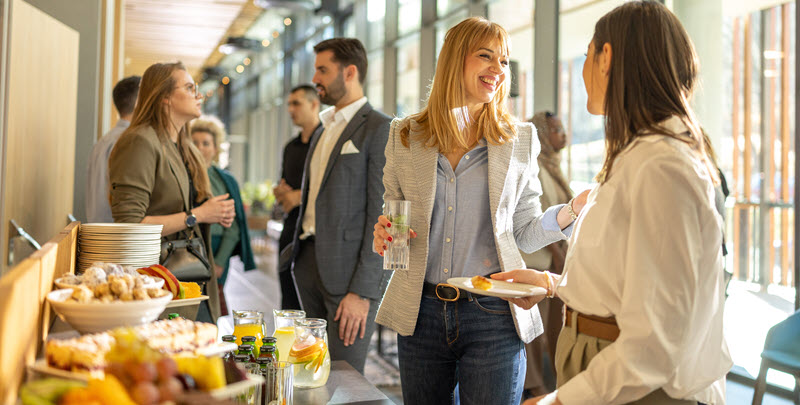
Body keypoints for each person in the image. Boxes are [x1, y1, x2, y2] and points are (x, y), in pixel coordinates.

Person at [492, 3, 732, 404]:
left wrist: (557, 401)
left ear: (607, 58)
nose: (583, 68)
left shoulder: (661, 167)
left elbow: (656, 342)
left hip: (638, 388)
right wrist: (555, 286)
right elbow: (634, 283)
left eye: (587, 53)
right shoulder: (640, 153)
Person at [371, 17, 587, 404]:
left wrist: (571, 211)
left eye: (504, 61)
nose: (498, 70)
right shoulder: (405, 135)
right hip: (419, 312)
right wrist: (385, 235)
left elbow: (523, 230)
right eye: (486, 56)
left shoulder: (519, 139)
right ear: (455, 60)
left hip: (493, 315)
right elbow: (395, 223)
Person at [287, 38, 392, 374]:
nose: (315, 78)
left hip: (349, 278)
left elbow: (384, 213)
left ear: (349, 72)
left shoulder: (379, 128)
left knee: (346, 380)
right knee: (312, 373)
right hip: (307, 265)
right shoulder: (322, 129)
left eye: (322, 70)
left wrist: (362, 292)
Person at [109, 62, 235, 323]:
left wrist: (214, 211)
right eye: (189, 88)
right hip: (157, 282)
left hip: (187, 277)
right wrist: (197, 215)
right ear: (164, 97)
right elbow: (130, 225)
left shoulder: (180, 145)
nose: (198, 95)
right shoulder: (140, 141)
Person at [521, 111, 572, 397]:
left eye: (562, 128)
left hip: (553, 259)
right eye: (557, 129)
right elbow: (538, 214)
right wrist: (557, 251)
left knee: (552, 325)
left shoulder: (553, 164)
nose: (563, 134)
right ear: (541, 133)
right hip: (536, 258)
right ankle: (534, 385)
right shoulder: (536, 166)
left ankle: (549, 381)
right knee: (534, 328)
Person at [190, 115, 256, 316]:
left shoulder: (225, 180)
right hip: (190, 249)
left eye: (206, 143)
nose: (200, 148)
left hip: (219, 249)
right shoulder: (182, 177)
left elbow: (234, 227)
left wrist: (219, 261)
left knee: (213, 307)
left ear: (215, 148)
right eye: (195, 143)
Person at [273, 84, 323, 310]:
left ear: (314, 104)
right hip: (290, 229)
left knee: (311, 305)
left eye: (296, 103)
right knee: (288, 300)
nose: (291, 109)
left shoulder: (326, 142)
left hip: (316, 233)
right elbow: (286, 188)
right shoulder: (290, 147)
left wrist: (299, 197)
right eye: (289, 104)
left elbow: (332, 189)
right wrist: (283, 193)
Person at [86, 76, 141, 223]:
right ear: (138, 103)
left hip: (100, 234)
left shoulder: (103, 142)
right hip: (116, 237)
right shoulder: (129, 142)